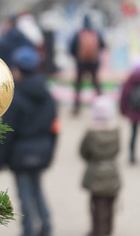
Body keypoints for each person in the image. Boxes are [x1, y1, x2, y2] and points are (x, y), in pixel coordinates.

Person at [0, 46, 59, 236]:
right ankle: (46, 225)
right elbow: (54, 127)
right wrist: (50, 153)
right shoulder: (47, 94)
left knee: (24, 195)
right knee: (37, 189)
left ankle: (29, 230)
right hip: (41, 150)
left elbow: (8, 132)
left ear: (19, 70)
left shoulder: (15, 97)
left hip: (20, 154)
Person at [80, 95, 121, 236]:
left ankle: (97, 231)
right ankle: (108, 230)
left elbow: (83, 151)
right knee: (110, 205)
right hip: (111, 172)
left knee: (97, 206)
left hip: (95, 172)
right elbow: (117, 150)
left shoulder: (91, 133)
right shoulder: (115, 131)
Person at [69, 15, 106, 115]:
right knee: (96, 84)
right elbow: (103, 46)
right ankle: (102, 105)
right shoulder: (96, 33)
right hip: (94, 63)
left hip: (81, 64)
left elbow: (71, 48)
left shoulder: (78, 34)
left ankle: (76, 108)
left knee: (78, 86)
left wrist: (77, 57)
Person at [119, 58, 140, 164]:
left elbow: (124, 96)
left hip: (133, 112)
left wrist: (123, 111)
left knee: (133, 134)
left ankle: (132, 156)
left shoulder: (130, 80)